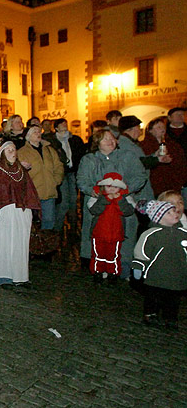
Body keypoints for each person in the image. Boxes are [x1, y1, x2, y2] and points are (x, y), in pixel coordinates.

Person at [77, 129, 148, 277]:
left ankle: (123, 267)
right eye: (105, 139)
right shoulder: (89, 160)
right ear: (97, 144)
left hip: (122, 203)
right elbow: (82, 181)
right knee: (98, 234)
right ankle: (98, 266)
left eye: (112, 138)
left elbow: (140, 176)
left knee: (124, 233)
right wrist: (97, 192)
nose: (110, 141)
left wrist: (125, 190)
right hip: (99, 204)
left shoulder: (128, 157)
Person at [0, 142, 41, 289]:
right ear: (2, 153)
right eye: (8, 150)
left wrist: (33, 210)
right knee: (4, 243)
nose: (12, 152)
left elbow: (30, 190)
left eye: (14, 150)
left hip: (22, 211)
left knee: (20, 244)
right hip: (5, 212)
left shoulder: (21, 170)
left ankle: (20, 276)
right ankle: (3, 277)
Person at [133, 200, 187, 330]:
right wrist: (139, 266)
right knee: (153, 297)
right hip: (156, 274)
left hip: (176, 274)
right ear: (159, 218)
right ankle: (150, 314)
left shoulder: (183, 233)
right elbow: (142, 251)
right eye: (168, 213)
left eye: (173, 211)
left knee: (173, 299)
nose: (174, 214)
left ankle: (171, 317)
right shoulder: (151, 234)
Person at [87, 172, 135, 284]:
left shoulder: (125, 198)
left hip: (116, 234)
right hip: (99, 233)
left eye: (115, 187)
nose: (112, 190)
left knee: (113, 256)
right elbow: (94, 210)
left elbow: (128, 211)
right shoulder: (97, 197)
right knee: (97, 254)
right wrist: (105, 200)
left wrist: (119, 200)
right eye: (109, 187)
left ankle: (113, 273)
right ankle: (97, 272)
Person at [18, 125, 64, 231]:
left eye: (39, 132)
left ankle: (48, 244)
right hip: (33, 194)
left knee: (49, 220)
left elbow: (58, 166)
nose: (38, 134)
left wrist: (56, 180)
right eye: (35, 132)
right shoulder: (22, 152)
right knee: (34, 224)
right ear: (28, 136)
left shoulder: (49, 150)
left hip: (49, 192)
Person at [46, 118, 86, 233]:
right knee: (64, 202)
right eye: (61, 124)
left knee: (73, 200)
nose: (64, 125)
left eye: (65, 123)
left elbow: (80, 154)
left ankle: (73, 228)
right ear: (56, 128)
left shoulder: (74, 140)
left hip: (72, 172)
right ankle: (58, 229)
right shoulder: (53, 141)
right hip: (61, 173)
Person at [140, 116, 187, 197]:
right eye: (158, 127)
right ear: (150, 130)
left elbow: (181, 163)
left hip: (173, 184)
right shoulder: (144, 146)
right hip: (154, 185)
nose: (162, 129)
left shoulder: (173, 145)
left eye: (163, 127)